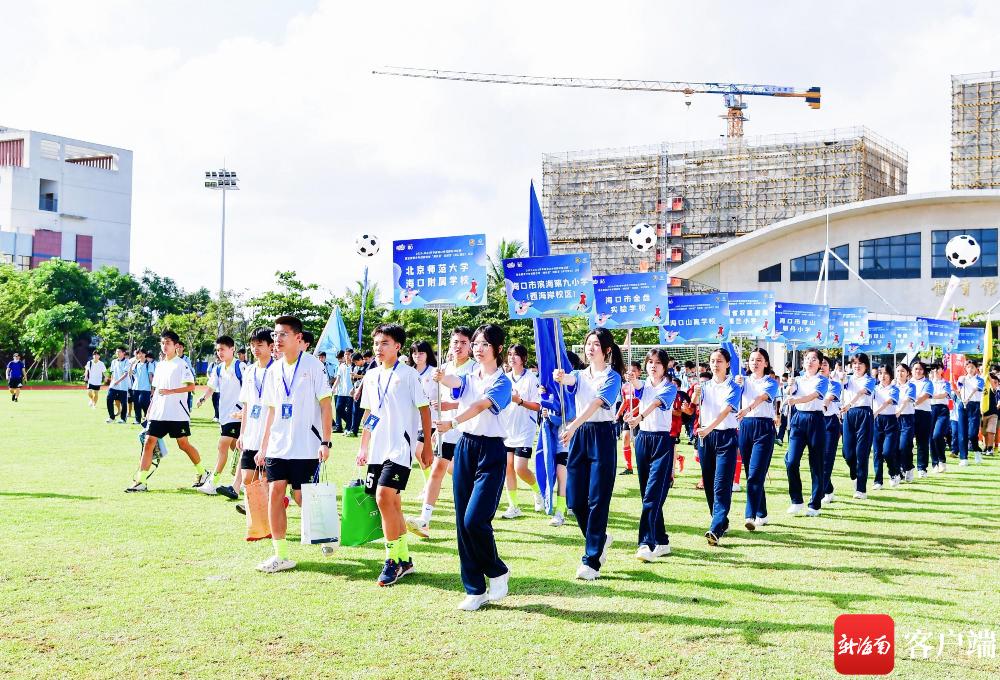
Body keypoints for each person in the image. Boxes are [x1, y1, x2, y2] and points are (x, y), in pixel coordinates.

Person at [435, 324, 512, 610]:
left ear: (498, 349)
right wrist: (443, 377)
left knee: (475, 519)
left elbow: (480, 405)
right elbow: (457, 384)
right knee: (461, 522)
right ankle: (475, 589)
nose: (478, 349)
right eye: (476, 344)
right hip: (466, 447)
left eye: (485, 345)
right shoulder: (469, 374)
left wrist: (453, 422)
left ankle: (497, 570)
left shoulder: (503, 382)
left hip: (491, 451)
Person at [254, 316, 333, 573]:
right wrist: (263, 448)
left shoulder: (313, 366)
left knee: (301, 497)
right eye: (276, 335)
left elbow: (325, 405)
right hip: (278, 444)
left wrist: (326, 441)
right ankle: (281, 555)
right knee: (276, 492)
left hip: (305, 444)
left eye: (283, 334)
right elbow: (271, 411)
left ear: (299, 338)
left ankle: (327, 532)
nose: (277, 339)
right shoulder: (273, 370)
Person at [356, 324, 433, 586]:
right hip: (377, 448)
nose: (379, 347)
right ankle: (404, 560)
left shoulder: (409, 375)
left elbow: (424, 410)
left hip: (400, 449)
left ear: (398, 346)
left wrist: (427, 443)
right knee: (393, 504)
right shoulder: (371, 376)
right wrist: (363, 446)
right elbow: (370, 415)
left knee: (383, 497)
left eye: (385, 343)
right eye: (376, 343)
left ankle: (390, 561)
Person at [553, 327, 624, 579]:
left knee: (597, 500)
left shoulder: (613, 377)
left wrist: (572, 425)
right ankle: (600, 539)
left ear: (606, 350)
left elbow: (596, 403)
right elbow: (571, 380)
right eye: (588, 344)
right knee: (575, 499)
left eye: (595, 344)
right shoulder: (580, 375)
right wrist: (561, 376)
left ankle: (591, 560)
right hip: (580, 437)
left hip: (601, 435)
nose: (590, 348)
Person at [407, 327, 476, 538]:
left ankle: (472, 518)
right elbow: (437, 400)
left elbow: (474, 402)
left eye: (464, 342)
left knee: (465, 477)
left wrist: (449, 405)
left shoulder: (475, 369)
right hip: (446, 431)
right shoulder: (442, 368)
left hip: (467, 431)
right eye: (455, 342)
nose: (459, 346)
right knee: (437, 470)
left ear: (470, 346)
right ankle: (424, 520)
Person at [126, 330, 208, 493]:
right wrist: (150, 409)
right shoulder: (160, 365)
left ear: (176, 346)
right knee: (149, 441)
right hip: (159, 413)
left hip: (177, 413)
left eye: (168, 343)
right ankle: (141, 481)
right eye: (162, 343)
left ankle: (203, 473)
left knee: (183, 445)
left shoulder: (181, 364)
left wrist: (171, 391)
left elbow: (191, 387)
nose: (164, 346)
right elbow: (156, 390)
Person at [623, 348, 678, 562]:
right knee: (647, 494)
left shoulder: (670, 388)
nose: (653, 366)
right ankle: (662, 540)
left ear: (665, 367)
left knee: (653, 495)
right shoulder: (643, 385)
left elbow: (655, 403)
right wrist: (632, 378)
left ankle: (646, 542)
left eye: (657, 362)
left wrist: (639, 416)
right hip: (643, 440)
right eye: (650, 362)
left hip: (662, 442)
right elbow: (637, 387)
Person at [691, 347, 740, 545]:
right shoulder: (705, 386)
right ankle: (720, 520)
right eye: (712, 361)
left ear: (727, 364)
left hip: (725, 437)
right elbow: (693, 405)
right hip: (706, 439)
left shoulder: (733, 386)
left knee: (721, 483)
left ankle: (716, 528)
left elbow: (726, 411)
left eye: (719, 361)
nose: (715, 364)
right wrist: (696, 394)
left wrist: (708, 428)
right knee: (709, 483)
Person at [196, 335, 246, 499]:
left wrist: (242, 409)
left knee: (222, 446)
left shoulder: (241, 367)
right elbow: (211, 387)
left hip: (238, 415)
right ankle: (245, 481)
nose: (219, 353)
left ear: (232, 349)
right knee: (236, 449)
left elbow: (249, 390)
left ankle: (212, 482)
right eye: (218, 350)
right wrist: (203, 398)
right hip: (224, 416)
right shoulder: (218, 369)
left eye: (222, 349)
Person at [734, 348, 779, 531]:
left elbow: (762, 397)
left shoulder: (771, 382)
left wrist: (747, 408)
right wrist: (737, 385)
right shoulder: (742, 380)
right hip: (746, 427)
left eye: (759, 360)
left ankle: (750, 515)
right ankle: (762, 512)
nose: (755, 362)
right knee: (752, 474)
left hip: (764, 428)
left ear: (766, 363)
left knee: (756, 472)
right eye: (752, 359)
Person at [783, 348, 829, 517]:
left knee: (816, 464)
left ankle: (815, 504)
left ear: (819, 364)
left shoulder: (822, 380)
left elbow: (814, 396)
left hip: (815, 420)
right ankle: (796, 500)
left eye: (814, 359)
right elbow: (790, 394)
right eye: (807, 359)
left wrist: (796, 399)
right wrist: (789, 387)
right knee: (791, 460)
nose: (810, 361)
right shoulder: (797, 379)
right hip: (798, 419)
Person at [499, 344, 543, 519]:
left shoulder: (531, 378)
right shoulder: (504, 378)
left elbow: (538, 405)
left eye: (516, 355)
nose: (512, 358)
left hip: (525, 429)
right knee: (508, 468)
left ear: (524, 359)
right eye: (509, 354)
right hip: (506, 429)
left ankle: (538, 492)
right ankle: (513, 505)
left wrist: (519, 401)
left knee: (520, 468)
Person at [234, 328, 274, 516]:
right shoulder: (249, 371)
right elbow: (247, 405)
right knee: (247, 478)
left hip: (271, 436)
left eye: (260, 345)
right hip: (251, 434)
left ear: (270, 346)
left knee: (266, 478)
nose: (255, 349)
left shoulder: (277, 370)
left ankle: (261, 517)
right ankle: (254, 508)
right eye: (252, 345)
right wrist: (242, 433)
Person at [840, 353, 877, 499]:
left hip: (864, 414)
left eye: (860, 363)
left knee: (862, 453)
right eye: (854, 363)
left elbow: (862, 393)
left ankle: (861, 490)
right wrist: (840, 378)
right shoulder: (847, 379)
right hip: (849, 415)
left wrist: (849, 404)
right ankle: (855, 474)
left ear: (866, 366)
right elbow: (838, 387)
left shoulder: (870, 380)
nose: (857, 366)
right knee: (847, 453)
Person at [408, 340, 438, 492]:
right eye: (414, 353)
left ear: (427, 355)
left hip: (430, 420)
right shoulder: (409, 372)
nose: (417, 356)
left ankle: (430, 486)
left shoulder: (433, 372)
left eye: (421, 353)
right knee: (418, 454)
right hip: (413, 420)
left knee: (419, 451)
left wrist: (437, 401)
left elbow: (443, 393)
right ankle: (430, 484)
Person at [872, 367, 901, 489]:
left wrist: (876, 411)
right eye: (880, 373)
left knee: (887, 452)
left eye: (886, 373)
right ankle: (878, 481)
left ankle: (893, 472)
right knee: (877, 452)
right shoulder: (874, 388)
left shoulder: (894, 389)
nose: (882, 376)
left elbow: (888, 402)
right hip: (877, 422)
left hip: (890, 421)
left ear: (890, 375)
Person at [819, 357, 842, 505]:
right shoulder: (808, 383)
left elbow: (828, 399)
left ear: (830, 368)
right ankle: (828, 488)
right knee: (817, 461)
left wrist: (823, 407)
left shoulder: (834, 384)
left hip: (830, 423)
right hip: (814, 422)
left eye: (825, 364)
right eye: (819, 363)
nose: (821, 366)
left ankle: (819, 494)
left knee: (827, 459)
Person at [956, 361, 985, 465]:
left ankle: (977, 450)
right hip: (962, 406)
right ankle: (964, 458)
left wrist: (967, 398)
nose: (970, 369)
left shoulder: (980, 379)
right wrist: (959, 385)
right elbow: (958, 389)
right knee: (962, 433)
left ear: (976, 368)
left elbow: (975, 390)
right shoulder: (962, 378)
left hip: (974, 406)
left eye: (972, 367)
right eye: (968, 367)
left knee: (972, 434)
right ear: (965, 368)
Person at [615, 361, 642, 476]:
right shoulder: (625, 386)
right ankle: (628, 467)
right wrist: (618, 414)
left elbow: (643, 403)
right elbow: (625, 401)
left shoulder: (642, 385)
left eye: (634, 371)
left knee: (638, 443)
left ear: (639, 372)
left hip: (641, 417)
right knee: (625, 439)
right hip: (628, 417)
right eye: (628, 371)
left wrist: (633, 412)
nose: (630, 373)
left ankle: (642, 466)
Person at [910, 361, 935, 477]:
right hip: (908, 414)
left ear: (924, 371)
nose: (918, 371)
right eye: (915, 369)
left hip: (923, 414)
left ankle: (922, 468)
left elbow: (924, 396)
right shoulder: (908, 383)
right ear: (911, 370)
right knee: (906, 442)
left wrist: (912, 403)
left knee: (922, 442)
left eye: (920, 369)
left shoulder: (928, 383)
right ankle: (907, 466)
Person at [893, 363, 917, 483]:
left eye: (902, 371)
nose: (900, 373)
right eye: (898, 371)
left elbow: (907, 400)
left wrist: (899, 411)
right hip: (893, 418)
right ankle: (899, 470)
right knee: (895, 447)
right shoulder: (892, 386)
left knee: (905, 446)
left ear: (908, 373)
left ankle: (908, 467)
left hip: (907, 418)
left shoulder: (911, 386)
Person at [928, 362, 953, 474]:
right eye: (933, 369)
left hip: (942, 410)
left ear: (942, 370)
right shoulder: (928, 383)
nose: (935, 371)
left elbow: (944, 394)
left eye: (937, 368)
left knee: (937, 435)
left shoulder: (946, 383)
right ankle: (935, 463)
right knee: (931, 437)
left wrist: (930, 396)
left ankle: (942, 460)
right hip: (930, 409)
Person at [106, 347, 131, 424]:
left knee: (123, 403)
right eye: (116, 352)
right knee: (109, 399)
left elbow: (125, 374)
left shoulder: (127, 362)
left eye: (119, 351)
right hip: (113, 385)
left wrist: (118, 381)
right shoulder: (114, 361)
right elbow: (113, 373)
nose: (117, 353)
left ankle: (123, 419)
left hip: (123, 386)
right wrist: (112, 382)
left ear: (123, 353)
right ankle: (111, 417)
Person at [130, 349, 154, 424]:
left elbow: (151, 377)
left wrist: (152, 388)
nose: (140, 355)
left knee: (144, 403)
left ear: (145, 354)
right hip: (136, 387)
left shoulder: (149, 364)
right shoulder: (136, 364)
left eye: (142, 353)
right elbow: (130, 374)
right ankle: (137, 420)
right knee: (136, 404)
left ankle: (148, 419)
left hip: (146, 388)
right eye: (138, 354)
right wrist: (131, 365)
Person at [332, 350, 353, 434]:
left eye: (348, 354)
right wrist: (333, 388)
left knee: (349, 411)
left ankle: (348, 427)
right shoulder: (341, 366)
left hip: (351, 393)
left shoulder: (353, 365)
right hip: (341, 392)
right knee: (338, 409)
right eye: (346, 354)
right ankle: (350, 423)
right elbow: (338, 378)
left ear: (351, 355)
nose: (347, 356)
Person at [982, 373, 999, 456]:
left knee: (991, 431)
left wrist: (986, 372)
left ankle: (990, 448)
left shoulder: (992, 388)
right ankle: (985, 447)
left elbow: (993, 385)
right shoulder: (981, 386)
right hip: (982, 413)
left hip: (993, 413)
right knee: (984, 432)